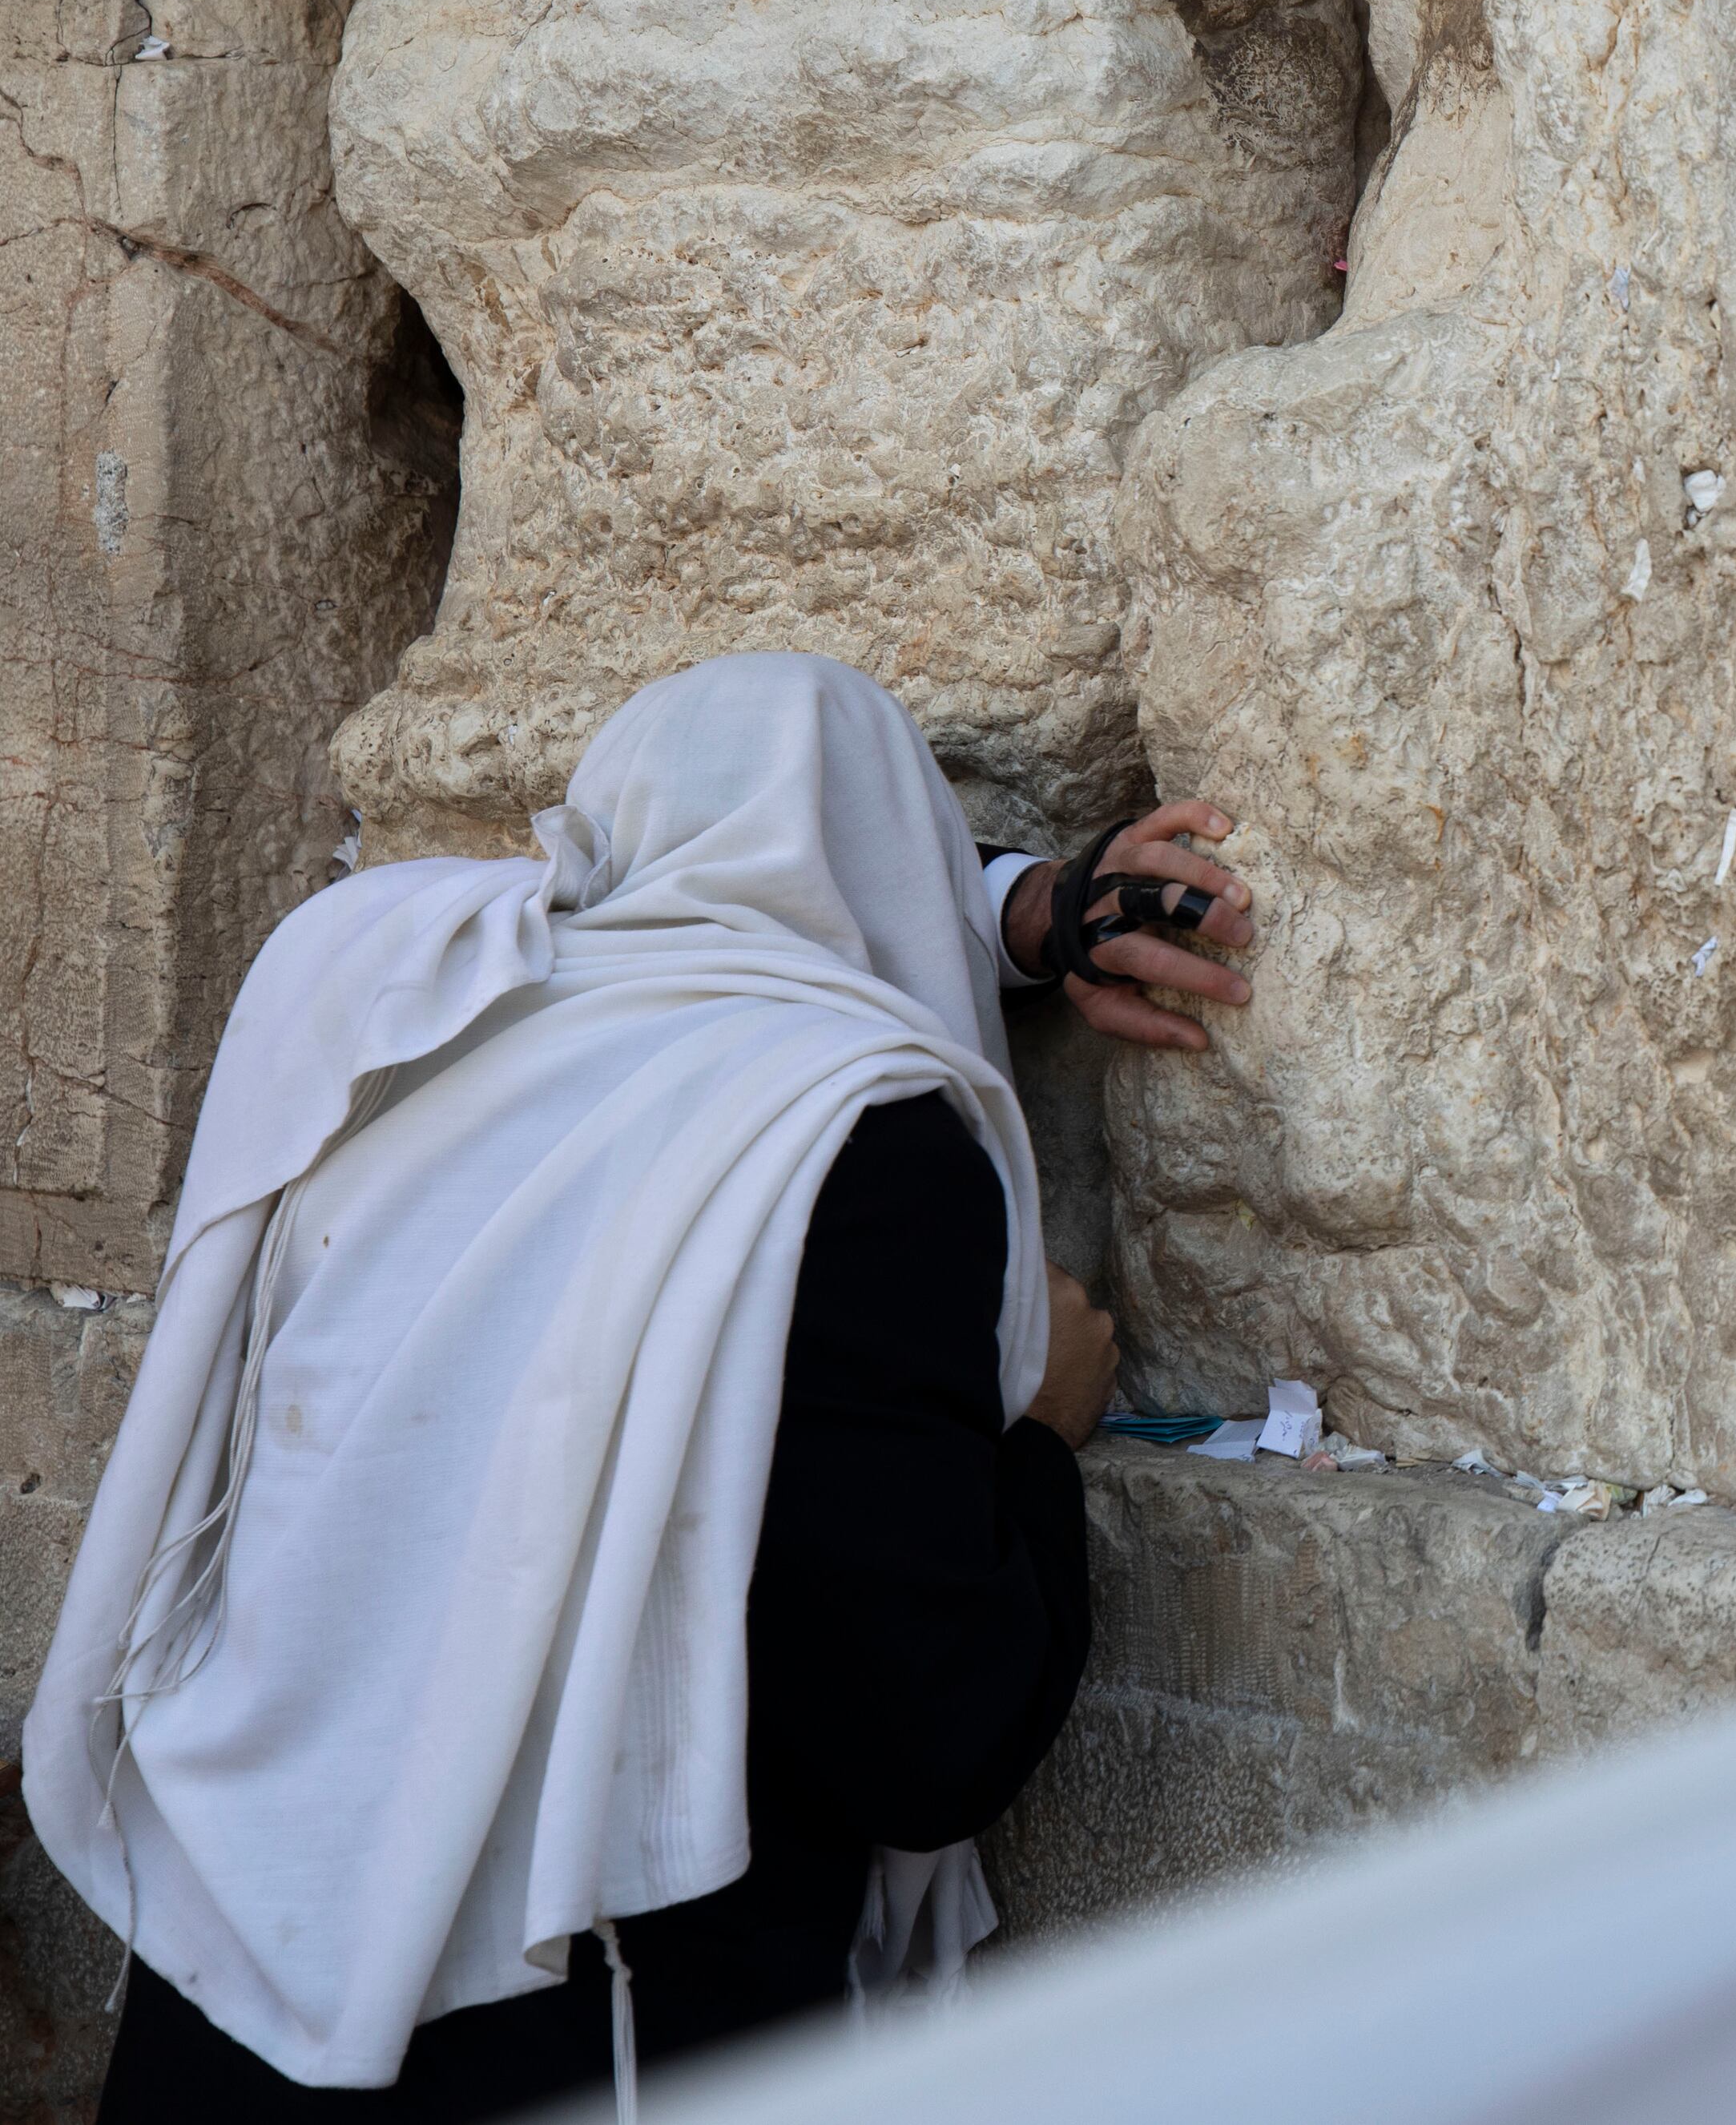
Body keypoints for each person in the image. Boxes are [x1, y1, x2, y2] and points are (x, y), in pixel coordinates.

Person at [18, 655, 1255, 2119]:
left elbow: (730, 898)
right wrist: (1044, 1435)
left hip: (220, 2019)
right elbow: (929, 1736)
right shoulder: (856, 1148)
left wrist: (1023, 912)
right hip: (576, 2044)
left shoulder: (411, 1030)